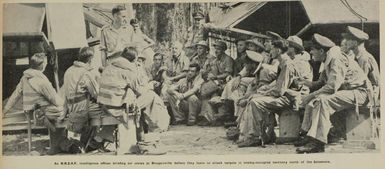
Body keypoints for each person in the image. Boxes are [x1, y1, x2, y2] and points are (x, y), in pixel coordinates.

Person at [295, 33, 370, 153]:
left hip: (360, 93)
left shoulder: (336, 58)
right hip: (348, 92)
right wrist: (306, 83)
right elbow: (321, 83)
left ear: (321, 51)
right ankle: (308, 135)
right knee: (314, 101)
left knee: (322, 101)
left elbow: (332, 87)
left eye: (312, 50)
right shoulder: (327, 59)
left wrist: (310, 95)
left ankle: (318, 142)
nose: (311, 53)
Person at [236, 37, 312, 147]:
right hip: (288, 96)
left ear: (279, 51)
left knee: (255, 102)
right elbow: (279, 86)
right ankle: (266, 134)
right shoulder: (284, 63)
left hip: (291, 98)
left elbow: (279, 91)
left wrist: (259, 94)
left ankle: (255, 137)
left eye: (272, 49)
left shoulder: (287, 65)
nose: (270, 51)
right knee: (255, 99)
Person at [3, 53, 77, 155]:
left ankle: (57, 145)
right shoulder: (40, 80)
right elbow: (55, 99)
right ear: (41, 65)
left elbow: (15, 95)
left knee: (60, 110)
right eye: (45, 63)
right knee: (64, 110)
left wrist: (5, 110)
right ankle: (62, 144)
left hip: (31, 112)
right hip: (43, 112)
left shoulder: (24, 78)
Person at [98, 47, 167, 155]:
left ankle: (144, 138)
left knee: (138, 101)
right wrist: (150, 85)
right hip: (118, 108)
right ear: (134, 59)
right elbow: (140, 91)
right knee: (151, 96)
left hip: (105, 106)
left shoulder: (108, 67)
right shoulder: (128, 70)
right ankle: (154, 132)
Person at [60, 47, 111, 152]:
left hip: (72, 107)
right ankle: (97, 140)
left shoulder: (68, 71)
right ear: (90, 59)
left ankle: (89, 141)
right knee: (112, 113)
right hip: (83, 108)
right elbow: (97, 94)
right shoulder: (86, 73)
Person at [198, 40, 234, 126]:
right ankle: (208, 117)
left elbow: (228, 73)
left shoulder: (227, 59)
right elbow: (212, 71)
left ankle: (213, 118)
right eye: (215, 49)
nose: (216, 51)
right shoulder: (216, 60)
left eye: (219, 49)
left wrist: (216, 77)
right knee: (205, 92)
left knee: (210, 93)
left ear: (223, 50)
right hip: (218, 82)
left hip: (228, 82)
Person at [342, 26, 379, 106]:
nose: (346, 42)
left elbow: (358, 82)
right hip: (360, 91)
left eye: (348, 39)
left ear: (355, 43)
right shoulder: (356, 57)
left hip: (368, 95)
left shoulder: (364, 58)